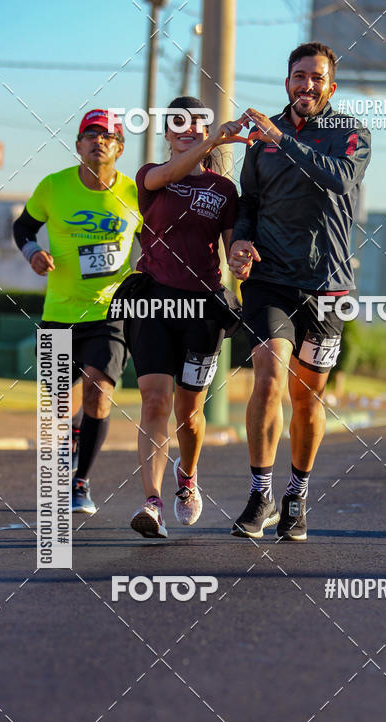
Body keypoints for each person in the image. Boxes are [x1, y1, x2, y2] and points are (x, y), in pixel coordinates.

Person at [227, 41, 371, 541]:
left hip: (328, 285)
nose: (306, 84)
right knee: (267, 372)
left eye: (316, 77)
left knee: (307, 397)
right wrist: (240, 239)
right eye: (298, 75)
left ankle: (296, 493)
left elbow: (339, 178)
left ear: (330, 86)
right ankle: (260, 492)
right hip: (270, 280)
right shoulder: (262, 138)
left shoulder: (350, 133)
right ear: (286, 80)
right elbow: (248, 200)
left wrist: (281, 139)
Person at [108, 97, 249, 539]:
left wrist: (242, 259)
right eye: (179, 124)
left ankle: (186, 478)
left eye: (197, 125)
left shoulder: (223, 190)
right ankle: (151, 503)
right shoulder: (152, 175)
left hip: (202, 307)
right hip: (152, 300)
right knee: (154, 401)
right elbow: (170, 173)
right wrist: (212, 137)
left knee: (189, 413)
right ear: (167, 134)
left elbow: (231, 249)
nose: (188, 129)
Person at [13, 109, 141, 514]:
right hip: (59, 312)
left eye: (107, 135)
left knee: (99, 392)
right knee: (57, 406)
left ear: (119, 148)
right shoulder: (53, 187)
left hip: (108, 313)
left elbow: (158, 240)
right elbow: (22, 228)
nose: (98, 140)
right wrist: (33, 252)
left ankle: (80, 483)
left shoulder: (136, 193)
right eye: (90, 134)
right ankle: (68, 438)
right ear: (78, 145)